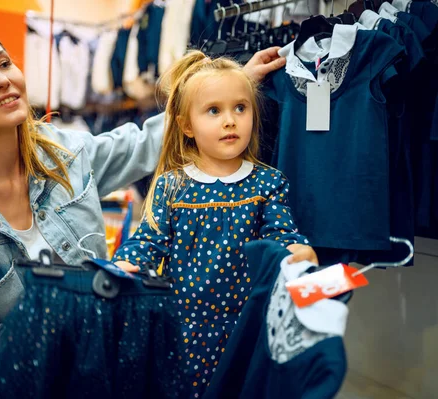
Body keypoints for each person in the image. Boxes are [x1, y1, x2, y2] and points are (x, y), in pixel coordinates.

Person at [0, 23, 286, 397]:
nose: (1, 79)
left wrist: (226, 92)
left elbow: (140, 144)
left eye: (4, 63)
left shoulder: (65, 157)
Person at [112, 51, 318, 399]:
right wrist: (125, 264)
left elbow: (279, 235)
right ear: (186, 125)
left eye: (241, 108)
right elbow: (148, 241)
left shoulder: (269, 183)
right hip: (184, 331)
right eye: (214, 110)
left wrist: (297, 250)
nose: (230, 121)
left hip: (247, 330)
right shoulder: (171, 186)